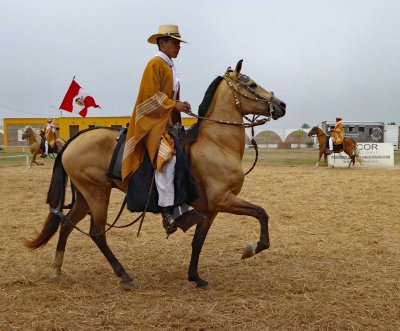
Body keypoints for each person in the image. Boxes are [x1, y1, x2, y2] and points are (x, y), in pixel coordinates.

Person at [121, 24, 191, 233]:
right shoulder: (155, 64)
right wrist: (174, 104)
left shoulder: (170, 67)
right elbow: (151, 95)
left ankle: (184, 203)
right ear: (163, 43)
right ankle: (167, 212)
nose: (179, 46)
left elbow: (168, 98)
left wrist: (178, 112)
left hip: (166, 123)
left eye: (180, 43)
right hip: (151, 123)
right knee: (166, 159)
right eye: (175, 42)